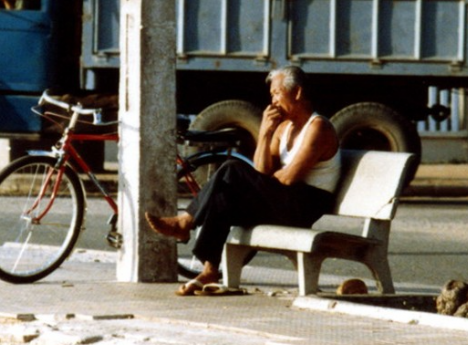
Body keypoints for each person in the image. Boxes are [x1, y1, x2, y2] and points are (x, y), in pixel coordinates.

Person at [146, 65, 341, 296]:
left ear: (297, 92)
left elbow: (288, 178)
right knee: (225, 197)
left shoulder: (318, 127)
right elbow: (261, 169)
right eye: (272, 96)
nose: (273, 101)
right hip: (285, 199)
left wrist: (267, 177)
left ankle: (186, 222)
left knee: (233, 169)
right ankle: (209, 269)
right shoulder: (284, 128)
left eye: (277, 93)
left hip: (305, 203)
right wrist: (266, 132)